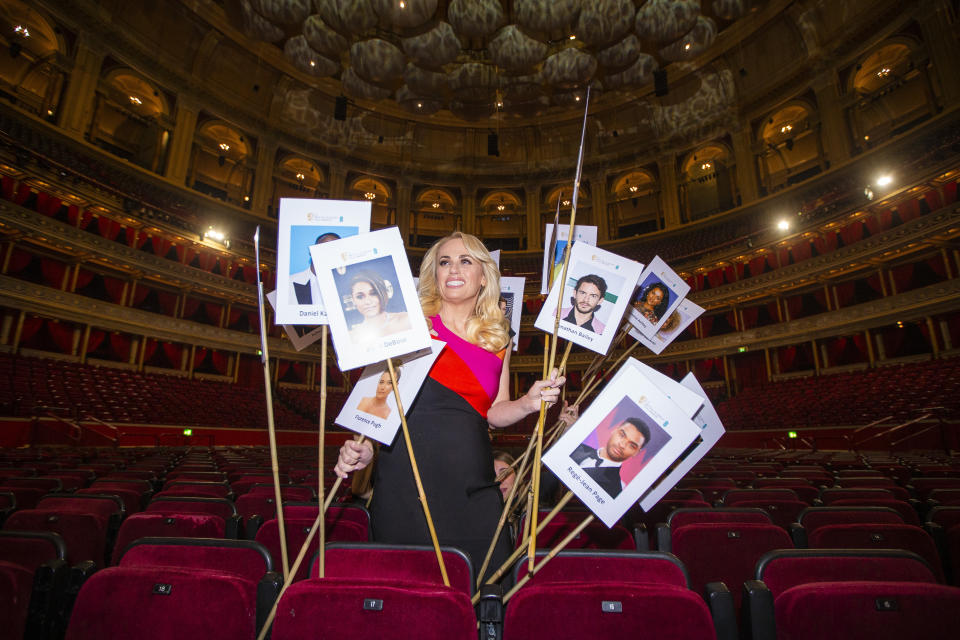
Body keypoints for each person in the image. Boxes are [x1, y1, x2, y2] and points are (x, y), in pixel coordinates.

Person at [334, 231, 564, 573]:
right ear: (434, 274)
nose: (453, 269)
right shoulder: (406, 324)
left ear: (483, 275)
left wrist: (527, 403)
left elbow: (494, 412)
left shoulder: (499, 338)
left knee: (483, 589)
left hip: (474, 486)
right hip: (404, 485)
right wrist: (366, 448)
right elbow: (378, 396)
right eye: (445, 262)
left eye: (465, 260)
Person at [570, 417, 650, 499]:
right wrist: (568, 432)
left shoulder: (615, 491)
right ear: (614, 430)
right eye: (622, 435)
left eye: (632, 446)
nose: (622, 445)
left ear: (636, 452)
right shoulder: (578, 447)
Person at [347, 270, 411, 343]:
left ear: (383, 293)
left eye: (373, 293)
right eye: (360, 297)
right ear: (353, 300)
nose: (368, 301)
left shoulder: (406, 319)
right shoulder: (352, 337)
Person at [289, 232, 340, 305]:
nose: (328, 252)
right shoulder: (289, 283)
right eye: (324, 247)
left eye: (334, 249)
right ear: (311, 251)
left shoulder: (346, 286)